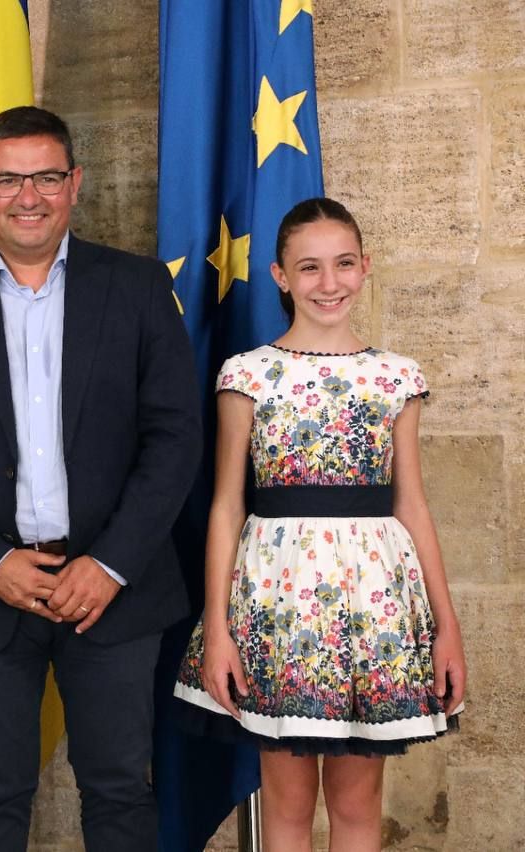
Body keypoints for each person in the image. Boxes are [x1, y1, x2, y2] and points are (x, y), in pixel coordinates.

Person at [0, 105, 202, 851]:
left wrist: (111, 562)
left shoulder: (139, 287)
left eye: (47, 177)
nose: (29, 196)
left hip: (112, 591)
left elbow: (174, 437)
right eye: (8, 179)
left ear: (75, 183)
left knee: (121, 792)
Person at [174, 197, 466, 848]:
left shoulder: (396, 376)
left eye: (341, 265)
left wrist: (446, 626)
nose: (327, 282)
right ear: (280, 275)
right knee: (286, 802)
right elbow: (227, 505)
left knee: (358, 804)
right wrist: (217, 627)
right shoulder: (248, 374)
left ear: (365, 268)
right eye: (309, 267)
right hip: (278, 606)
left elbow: (413, 504)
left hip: (376, 607)